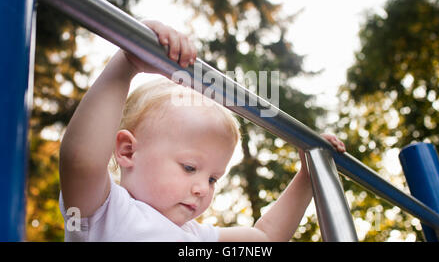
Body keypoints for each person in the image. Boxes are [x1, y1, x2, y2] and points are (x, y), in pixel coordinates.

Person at [59, 20, 346, 241]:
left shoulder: (195, 236)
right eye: (189, 167)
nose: (202, 190)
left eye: (212, 179)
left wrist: (308, 176)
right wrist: (127, 63)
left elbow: (267, 238)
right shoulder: (104, 212)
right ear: (128, 151)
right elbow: (80, 160)